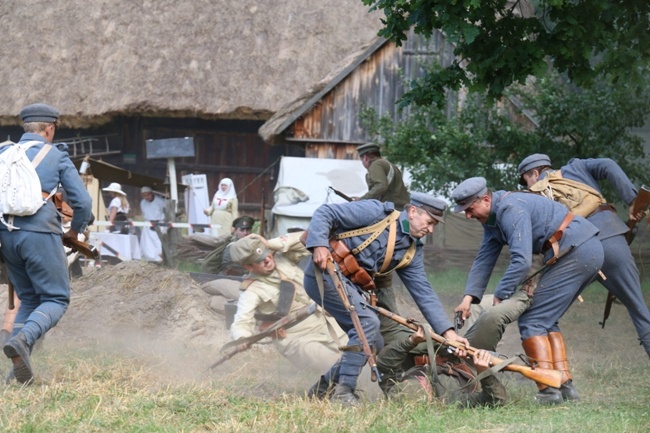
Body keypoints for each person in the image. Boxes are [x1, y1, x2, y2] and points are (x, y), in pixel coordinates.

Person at [303, 193, 469, 405]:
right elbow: (325, 212)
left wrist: (449, 334)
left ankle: (321, 389)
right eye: (429, 222)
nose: (431, 229)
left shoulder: (411, 251)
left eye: (435, 225)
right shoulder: (376, 213)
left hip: (350, 287)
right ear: (412, 212)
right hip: (324, 275)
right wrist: (319, 245)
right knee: (368, 323)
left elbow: (424, 292)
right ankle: (344, 393)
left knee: (374, 341)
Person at [450, 177, 604, 405]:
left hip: (576, 250)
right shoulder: (493, 220)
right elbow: (484, 259)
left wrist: (502, 294)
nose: (469, 216)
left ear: (485, 199)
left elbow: (521, 261)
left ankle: (548, 392)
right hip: (578, 250)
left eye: (470, 209)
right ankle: (564, 386)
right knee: (546, 320)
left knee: (533, 320)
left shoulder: (510, 209)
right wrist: (467, 299)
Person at [517, 154, 650, 358]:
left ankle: (559, 381)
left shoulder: (533, 197)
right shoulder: (576, 167)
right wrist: (632, 200)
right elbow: (608, 163)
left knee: (544, 315)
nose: (527, 184)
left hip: (576, 254)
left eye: (525, 179)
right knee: (640, 312)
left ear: (534, 173)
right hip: (610, 237)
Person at [0, 103, 93, 385]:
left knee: (28, 299)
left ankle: (14, 373)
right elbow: (83, 202)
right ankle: (24, 340)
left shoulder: (4, 153)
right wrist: (75, 232)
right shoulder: (56, 155)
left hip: (6, 236)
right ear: (50, 129)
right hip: (39, 233)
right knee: (56, 298)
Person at [228, 232, 347, 375]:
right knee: (333, 364)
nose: (267, 260)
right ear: (248, 267)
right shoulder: (251, 290)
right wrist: (242, 337)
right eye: (259, 260)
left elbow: (307, 238)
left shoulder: (283, 259)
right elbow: (241, 320)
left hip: (323, 321)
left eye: (266, 253)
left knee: (359, 351)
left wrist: (270, 243)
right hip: (296, 337)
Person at [375, 325, 506, 406]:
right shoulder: (451, 399)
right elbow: (496, 401)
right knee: (492, 318)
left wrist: (411, 341)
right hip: (466, 361)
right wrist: (484, 372)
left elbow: (384, 362)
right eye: (423, 388)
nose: (421, 385)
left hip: (418, 344)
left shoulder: (394, 388)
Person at [353, 142, 410, 209]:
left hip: (391, 209)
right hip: (400, 207)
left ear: (365, 158)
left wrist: (361, 200)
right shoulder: (389, 165)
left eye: (361, 160)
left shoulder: (376, 164)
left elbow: (381, 186)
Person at [139, 186, 166, 263]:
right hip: (148, 224)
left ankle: (159, 259)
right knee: (147, 244)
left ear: (151, 194)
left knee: (158, 242)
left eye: (147, 195)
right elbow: (145, 213)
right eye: (144, 195)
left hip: (158, 223)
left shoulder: (160, 202)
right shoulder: (143, 203)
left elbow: (165, 212)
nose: (146, 197)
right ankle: (149, 259)